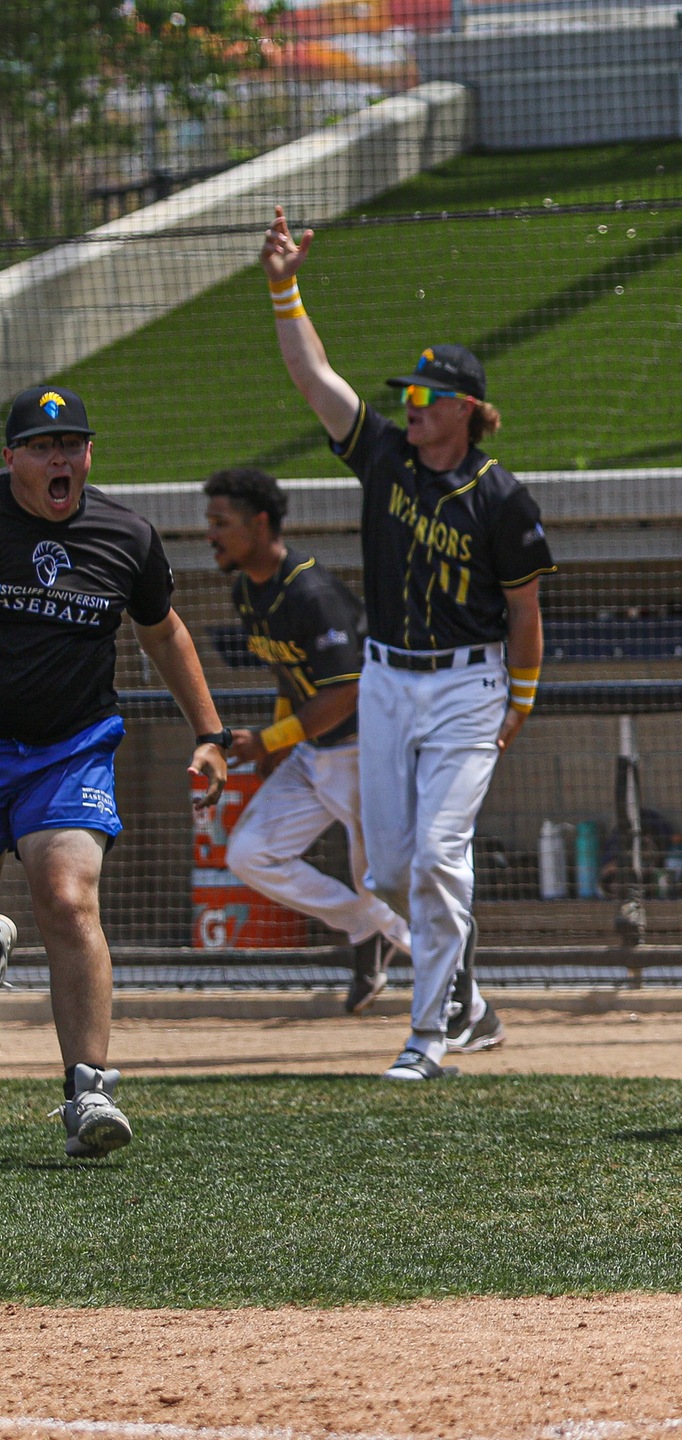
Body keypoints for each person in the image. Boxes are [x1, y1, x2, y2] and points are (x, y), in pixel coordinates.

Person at [263, 206, 553, 1081]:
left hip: (469, 688)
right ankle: (463, 990)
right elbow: (314, 377)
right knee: (387, 870)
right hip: (388, 680)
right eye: (406, 396)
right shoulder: (385, 456)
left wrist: (522, 700)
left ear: (464, 409)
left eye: (424, 397)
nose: (408, 407)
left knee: (436, 854)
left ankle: (427, 1035)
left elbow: (526, 610)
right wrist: (284, 285)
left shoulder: (502, 500)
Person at [3, 385, 230, 1155]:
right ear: (10, 459)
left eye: (73, 443)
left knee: (67, 899)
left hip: (68, 748)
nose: (60, 457)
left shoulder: (125, 536)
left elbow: (163, 635)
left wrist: (211, 734)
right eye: (41, 445)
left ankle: (88, 1093)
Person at [204, 466, 411, 1013]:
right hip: (313, 749)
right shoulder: (248, 591)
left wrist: (272, 738)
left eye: (221, 522)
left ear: (261, 523)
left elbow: (345, 691)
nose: (211, 534)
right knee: (250, 853)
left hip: (367, 751)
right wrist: (277, 742)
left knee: (384, 882)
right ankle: (367, 931)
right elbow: (289, 673)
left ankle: (465, 997)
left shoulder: (311, 590)